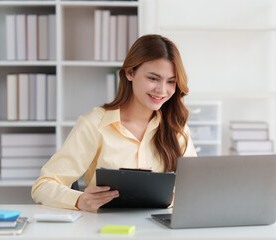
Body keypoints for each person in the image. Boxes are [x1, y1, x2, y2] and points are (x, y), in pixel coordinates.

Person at [31, 34, 197, 212]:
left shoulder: (176, 128)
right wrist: (80, 200)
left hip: (160, 230)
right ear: (130, 72)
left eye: (171, 82)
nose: (162, 90)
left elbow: (195, 187)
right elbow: (43, 186)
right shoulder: (95, 124)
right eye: (153, 79)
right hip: (106, 228)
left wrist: (173, 197)